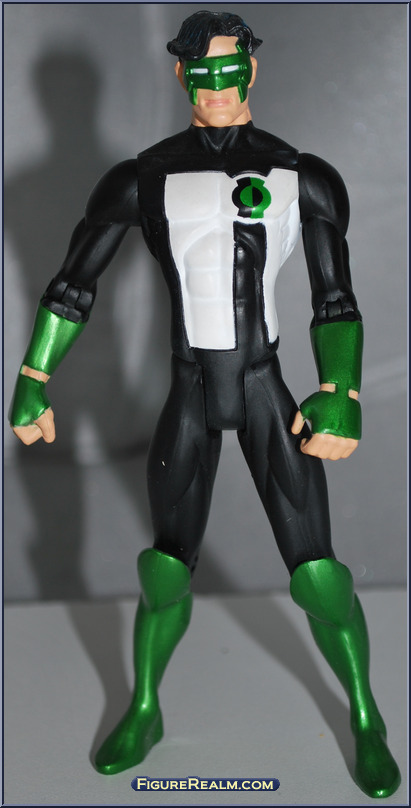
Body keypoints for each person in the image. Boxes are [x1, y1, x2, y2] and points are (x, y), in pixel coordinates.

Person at [9, 10, 400, 798]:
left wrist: (341, 391)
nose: (216, 87)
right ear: (178, 74)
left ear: (251, 69)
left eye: (228, 70)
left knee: (318, 575)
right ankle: (145, 705)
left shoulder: (301, 175)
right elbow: (73, 285)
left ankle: (365, 715)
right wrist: (33, 376)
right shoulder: (141, 178)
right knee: (163, 570)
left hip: (264, 390)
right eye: (201, 73)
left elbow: (334, 298)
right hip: (187, 389)